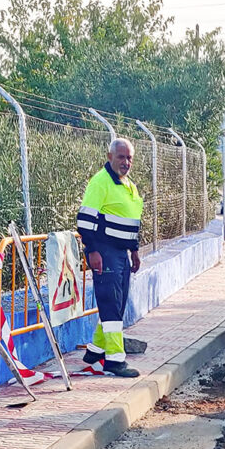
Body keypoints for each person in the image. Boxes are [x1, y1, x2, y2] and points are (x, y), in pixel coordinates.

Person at [76, 138, 143, 376]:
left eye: (129, 158)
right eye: (121, 157)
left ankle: (95, 350)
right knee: (111, 303)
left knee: (118, 301)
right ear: (110, 157)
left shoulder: (128, 184)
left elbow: (131, 219)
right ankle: (114, 360)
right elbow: (85, 220)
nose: (126, 162)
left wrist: (134, 249)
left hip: (122, 252)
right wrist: (92, 251)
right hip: (104, 251)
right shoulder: (100, 182)